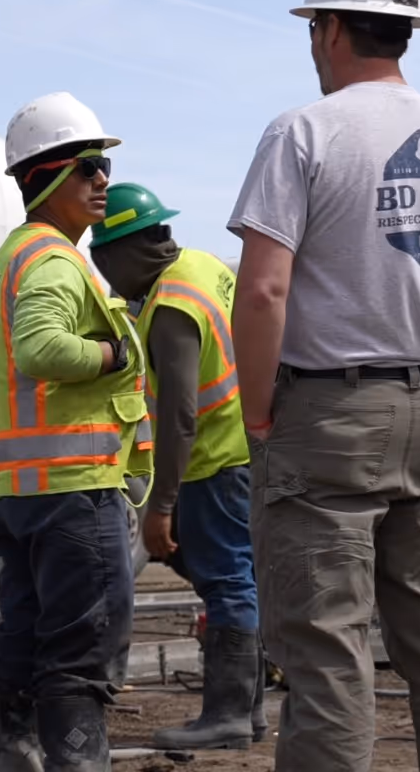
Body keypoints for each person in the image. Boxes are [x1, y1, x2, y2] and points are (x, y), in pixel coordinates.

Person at [225, 0, 420, 772]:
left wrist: (257, 407)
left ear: (326, 29)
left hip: (324, 413)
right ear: (403, 31)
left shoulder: (303, 133)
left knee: (327, 648)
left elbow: (262, 294)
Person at [0, 91, 152, 771]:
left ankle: (15, 750)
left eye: (102, 166)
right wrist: (115, 353)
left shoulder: (3, 266)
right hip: (73, 488)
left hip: (16, 491)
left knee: (24, 634)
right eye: (89, 167)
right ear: (45, 177)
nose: (104, 180)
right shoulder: (52, 260)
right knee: (83, 644)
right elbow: (42, 350)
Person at [88, 183, 265, 749]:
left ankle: (229, 715)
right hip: (244, 450)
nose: (108, 278)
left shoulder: (170, 308)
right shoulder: (203, 267)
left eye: (103, 260)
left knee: (228, 582)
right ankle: (249, 712)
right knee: (234, 575)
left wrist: (160, 506)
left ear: (124, 251)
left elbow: (181, 417)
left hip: (213, 461)